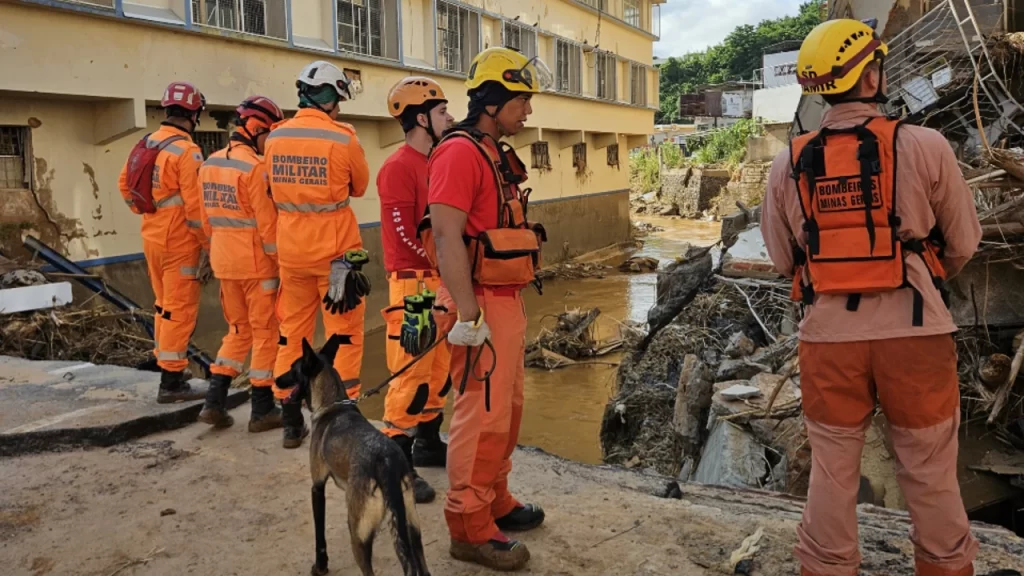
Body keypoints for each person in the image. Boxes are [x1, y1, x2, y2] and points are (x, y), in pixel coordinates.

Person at [762, 19, 982, 576]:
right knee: (930, 470)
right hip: (916, 332)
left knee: (832, 469)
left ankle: (828, 568)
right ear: (872, 74)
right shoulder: (925, 144)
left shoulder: (788, 163)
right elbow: (963, 244)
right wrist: (926, 277)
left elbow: (785, 260)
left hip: (829, 340)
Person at [422, 47, 551, 571]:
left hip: (505, 300)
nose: (528, 112)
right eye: (522, 101)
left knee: (508, 409)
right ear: (494, 101)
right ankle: (469, 526)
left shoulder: (491, 152)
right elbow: (448, 239)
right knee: (480, 416)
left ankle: (496, 498)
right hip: (478, 301)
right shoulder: (457, 154)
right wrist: (469, 315)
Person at [265, 60, 371, 449]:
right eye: (338, 100)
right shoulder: (343, 138)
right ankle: (341, 415)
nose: (339, 108)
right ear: (330, 98)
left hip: (291, 253)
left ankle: (291, 418)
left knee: (292, 332)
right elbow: (359, 187)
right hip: (337, 258)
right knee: (343, 335)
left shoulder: (274, 138)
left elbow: (270, 190)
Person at [378, 76, 455, 504]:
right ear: (421, 118)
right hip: (413, 286)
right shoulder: (397, 168)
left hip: (439, 282)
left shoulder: (437, 162)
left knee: (439, 368)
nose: (450, 117)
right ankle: (396, 462)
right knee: (410, 374)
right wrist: (443, 265)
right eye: (443, 112)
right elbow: (403, 235)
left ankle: (427, 443)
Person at [196, 95, 285, 432]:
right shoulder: (255, 168)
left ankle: (214, 401)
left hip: (224, 262)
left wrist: (216, 251)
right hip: (257, 266)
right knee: (265, 334)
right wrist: (281, 264)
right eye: (268, 134)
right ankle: (262, 409)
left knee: (237, 330)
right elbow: (267, 226)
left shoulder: (209, 164)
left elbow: (206, 223)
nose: (268, 143)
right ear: (255, 128)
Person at [119, 81, 211, 404]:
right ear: (194, 114)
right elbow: (196, 210)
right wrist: (209, 248)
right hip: (180, 244)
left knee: (163, 306)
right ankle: (172, 382)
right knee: (179, 310)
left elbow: (125, 186)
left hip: (152, 239)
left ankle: (168, 364)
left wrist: (148, 212)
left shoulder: (147, 142)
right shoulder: (187, 152)